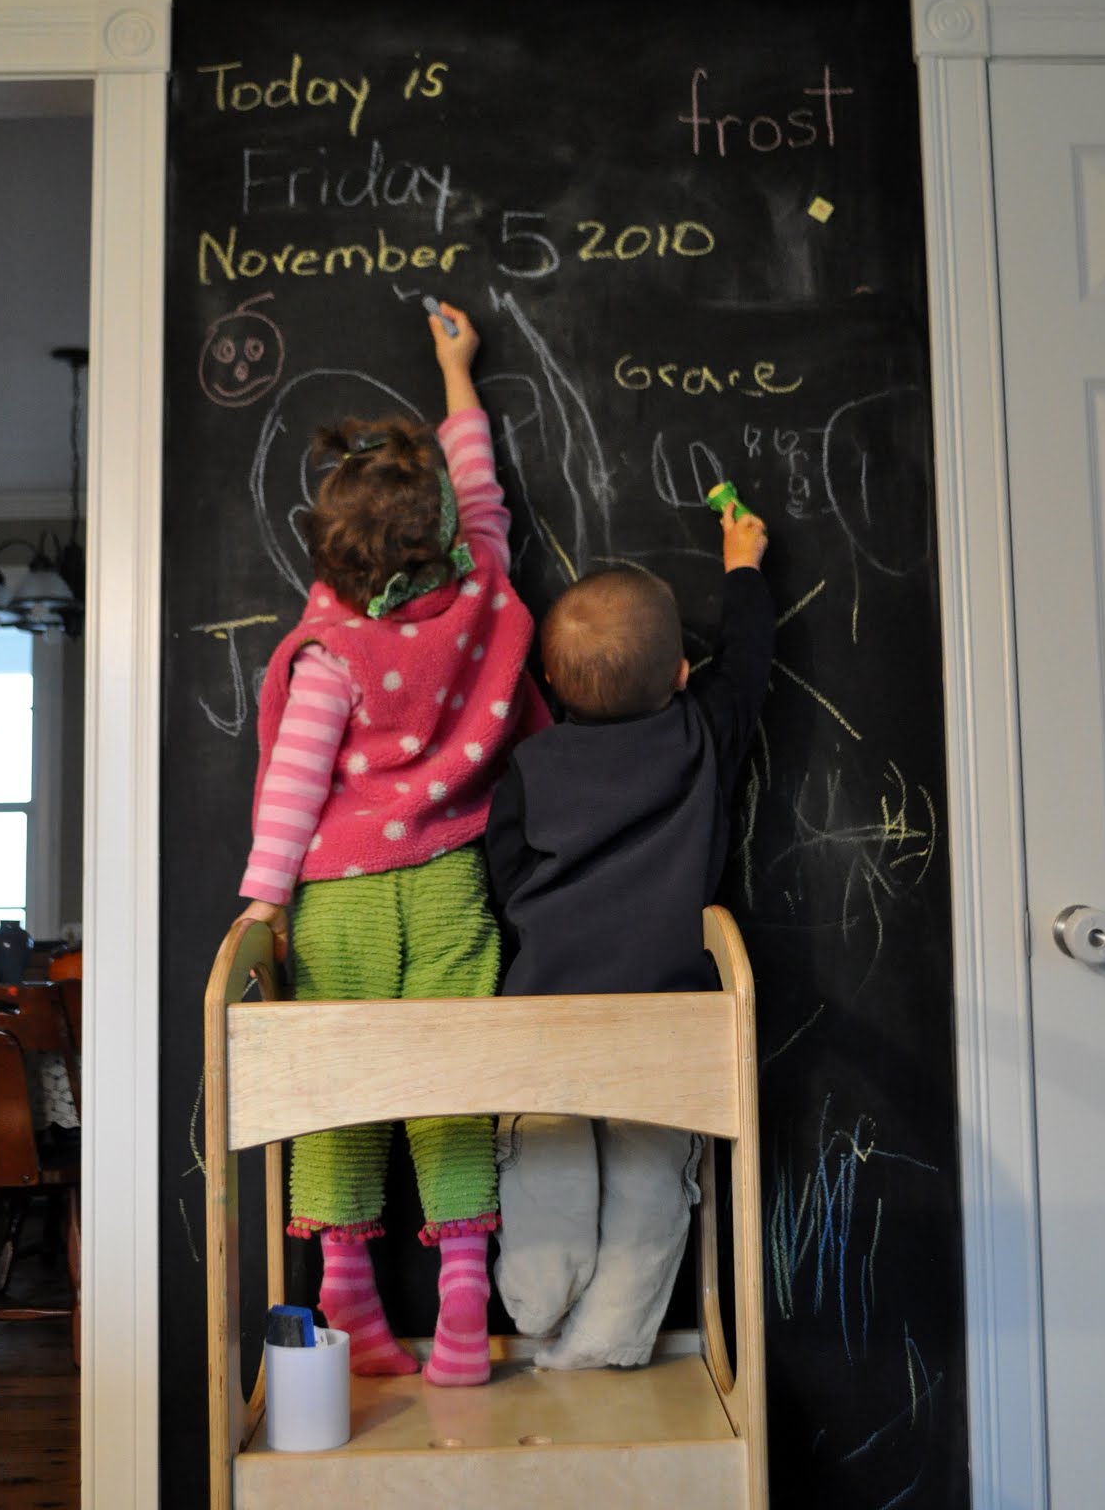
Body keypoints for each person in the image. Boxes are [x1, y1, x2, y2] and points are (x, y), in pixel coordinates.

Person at [238, 303, 548, 1387]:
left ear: (332, 553)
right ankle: (465, 1294)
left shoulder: (329, 647)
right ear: (441, 538)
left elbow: (292, 784)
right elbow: (483, 488)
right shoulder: (480, 593)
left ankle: (348, 1294)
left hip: (341, 895)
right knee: (449, 1079)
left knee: (339, 1084)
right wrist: (456, 371)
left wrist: (263, 901)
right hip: (453, 874)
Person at [484, 507, 773, 1370]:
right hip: (666, 1011)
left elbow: (504, 871)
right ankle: (608, 1345)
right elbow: (752, 662)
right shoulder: (701, 733)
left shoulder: (531, 768)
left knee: (548, 1152)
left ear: (550, 680)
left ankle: (535, 1298)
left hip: (548, 1007)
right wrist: (742, 565)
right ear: (684, 671)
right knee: (653, 1187)